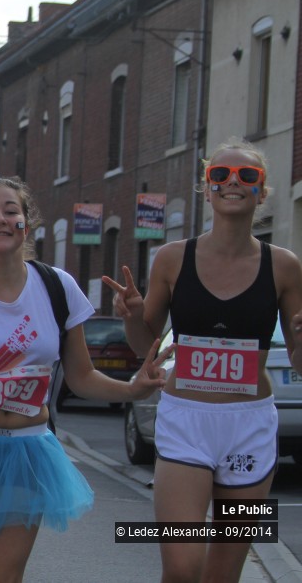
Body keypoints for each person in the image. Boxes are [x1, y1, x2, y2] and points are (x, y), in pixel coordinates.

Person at [0, 176, 168, 582]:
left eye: (11, 210)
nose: (1, 219)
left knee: (2, 576)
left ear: (28, 224)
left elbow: (81, 376)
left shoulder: (58, 287)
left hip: (27, 453)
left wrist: (133, 389)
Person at [103, 141, 302, 583]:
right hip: (186, 424)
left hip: (250, 427)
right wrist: (135, 315)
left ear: (262, 192)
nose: (233, 182)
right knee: (181, 567)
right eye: (221, 175)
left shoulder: (284, 266)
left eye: (247, 176)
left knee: (223, 573)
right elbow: (143, 344)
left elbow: (299, 360)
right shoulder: (173, 258)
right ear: (207, 189)